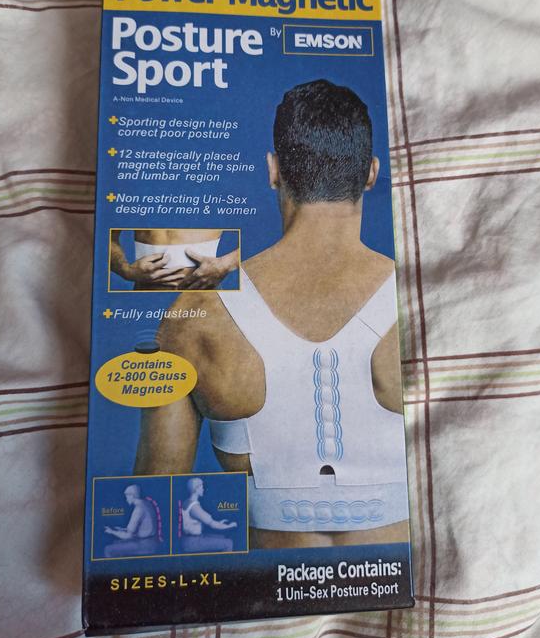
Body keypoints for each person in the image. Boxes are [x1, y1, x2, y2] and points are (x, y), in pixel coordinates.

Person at [134, 79, 409, 550]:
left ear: (274, 170)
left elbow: (153, 510)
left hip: (265, 588)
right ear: (371, 173)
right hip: (401, 581)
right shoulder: (419, 303)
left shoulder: (196, 315)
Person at [110, 228, 239, 291]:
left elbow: (252, 225)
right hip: (146, 297)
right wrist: (125, 270)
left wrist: (225, 264)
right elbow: (107, 237)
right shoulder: (135, 186)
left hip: (203, 295)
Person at [179, 477, 237, 553]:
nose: (203, 489)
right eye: (202, 486)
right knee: (228, 543)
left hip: (188, 539)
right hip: (192, 542)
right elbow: (212, 524)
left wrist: (218, 523)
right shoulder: (194, 507)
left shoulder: (187, 501)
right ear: (196, 489)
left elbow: (202, 520)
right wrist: (230, 526)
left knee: (223, 537)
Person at [103, 484, 160, 558]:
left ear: (132, 495)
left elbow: (129, 536)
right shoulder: (146, 503)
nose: (126, 499)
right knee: (116, 543)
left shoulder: (139, 509)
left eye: (126, 495)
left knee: (108, 549)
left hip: (145, 545)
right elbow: (141, 528)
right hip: (152, 542)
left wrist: (111, 532)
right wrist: (122, 529)